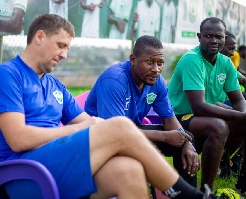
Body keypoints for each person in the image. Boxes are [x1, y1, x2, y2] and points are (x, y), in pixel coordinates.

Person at [0, 14, 215, 199]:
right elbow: (18, 139)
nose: (64, 55)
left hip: (58, 164)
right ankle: (188, 196)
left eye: (67, 48)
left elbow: (90, 122)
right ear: (40, 37)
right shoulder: (6, 75)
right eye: (61, 46)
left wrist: (100, 128)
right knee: (120, 126)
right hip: (26, 175)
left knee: (128, 170)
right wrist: (82, 129)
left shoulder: (54, 85)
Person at [85, 35, 200, 188]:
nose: (156, 69)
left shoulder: (156, 81)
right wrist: (165, 137)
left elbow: (169, 119)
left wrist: (185, 142)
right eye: (150, 62)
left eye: (160, 63)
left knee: (184, 138)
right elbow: (113, 132)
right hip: (101, 139)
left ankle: (188, 195)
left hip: (130, 133)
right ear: (133, 59)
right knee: (172, 137)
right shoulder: (114, 80)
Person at [168, 17, 246, 198]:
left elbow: (238, 99)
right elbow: (198, 107)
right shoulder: (192, 60)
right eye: (208, 36)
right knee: (219, 126)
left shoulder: (225, 62)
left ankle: (244, 184)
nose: (214, 41)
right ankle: (207, 192)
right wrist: (243, 117)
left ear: (224, 38)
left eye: (218, 37)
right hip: (179, 118)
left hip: (204, 118)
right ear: (199, 37)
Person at [219, 31, 246, 109]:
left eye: (233, 49)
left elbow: (243, 78)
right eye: (230, 49)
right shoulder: (236, 55)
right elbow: (206, 103)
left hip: (221, 102)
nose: (232, 53)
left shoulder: (226, 63)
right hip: (211, 107)